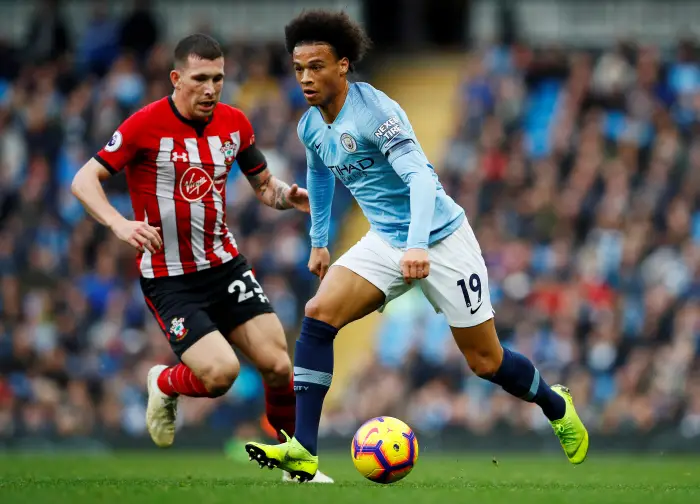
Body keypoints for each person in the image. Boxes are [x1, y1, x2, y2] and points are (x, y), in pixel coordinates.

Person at [244, 11, 589, 481]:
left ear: (343, 65)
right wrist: (320, 242)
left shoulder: (375, 113)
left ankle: (555, 405)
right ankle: (304, 449)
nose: (306, 77)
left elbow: (422, 180)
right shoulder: (310, 126)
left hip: (440, 239)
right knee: (318, 314)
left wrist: (418, 245)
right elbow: (320, 176)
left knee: (486, 361)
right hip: (385, 240)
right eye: (299, 67)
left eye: (317, 66)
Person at [71, 33, 333, 483]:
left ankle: (298, 468)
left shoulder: (234, 124)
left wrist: (287, 196)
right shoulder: (143, 125)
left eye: (218, 78)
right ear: (176, 79)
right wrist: (120, 224)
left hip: (224, 265)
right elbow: (83, 179)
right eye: (200, 79)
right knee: (220, 375)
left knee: (277, 365)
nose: (211, 89)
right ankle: (164, 382)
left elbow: (263, 186)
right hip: (170, 279)